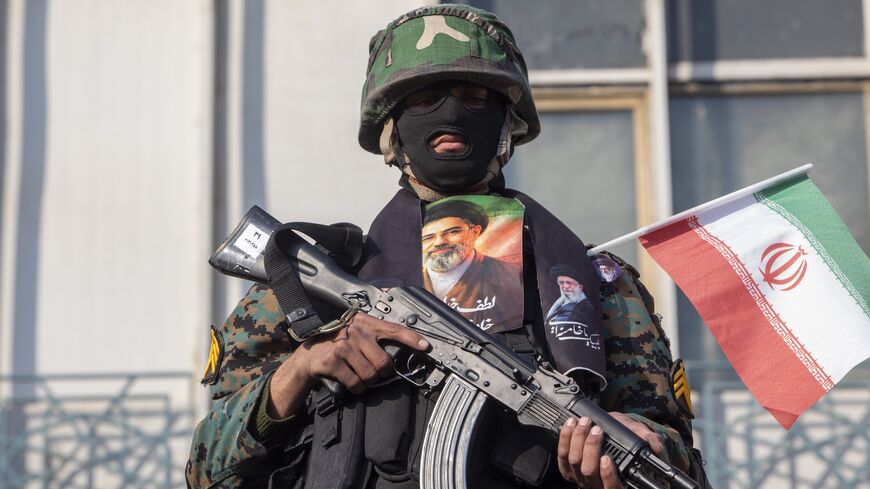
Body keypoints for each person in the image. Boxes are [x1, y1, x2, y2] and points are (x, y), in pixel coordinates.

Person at [187, 5, 709, 489]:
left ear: (510, 123)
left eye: (477, 98)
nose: (452, 117)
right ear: (391, 128)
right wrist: (301, 368)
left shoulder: (590, 284)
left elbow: (671, 452)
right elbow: (206, 470)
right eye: (423, 100)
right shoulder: (306, 288)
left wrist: (638, 443)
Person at [421, 199, 523, 331]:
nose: (439, 242)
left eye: (453, 232)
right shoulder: (406, 279)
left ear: (475, 232)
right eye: (428, 238)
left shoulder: (510, 276)